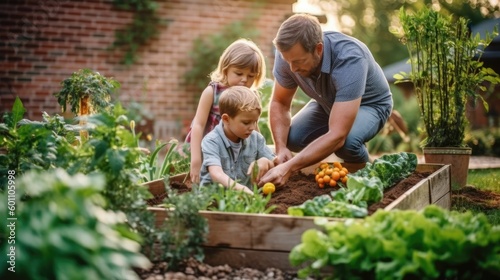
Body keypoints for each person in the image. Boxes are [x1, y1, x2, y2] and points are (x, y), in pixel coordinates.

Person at [259, 13, 393, 187]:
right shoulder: (289, 55)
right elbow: (280, 103)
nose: (292, 69)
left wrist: (289, 167)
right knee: (291, 138)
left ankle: (372, 178)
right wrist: (281, 148)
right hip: (327, 102)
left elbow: (338, 136)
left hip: (371, 104)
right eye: (288, 61)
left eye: (299, 61)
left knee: (348, 144)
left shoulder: (349, 58)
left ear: (319, 49)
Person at [185, 38, 267, 184]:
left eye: (251, 76)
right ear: (226, 69)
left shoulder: (250, 96)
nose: (244, 80)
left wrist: (260, 153)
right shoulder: (213, 91)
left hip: (232, 150)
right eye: (239, 73)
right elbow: (198, 124)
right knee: (205, 180)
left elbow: (254, 129)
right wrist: (196, 159)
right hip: (209, 148)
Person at [200, 86, 275, 195]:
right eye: (246, 122)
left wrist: (265, 161)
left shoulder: (256, 138)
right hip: (214, 201)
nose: (253, 127)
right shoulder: (211, 141)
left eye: (255, 121)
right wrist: (240, 188)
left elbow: (275, 164)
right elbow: (216, 174)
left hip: (245, 200)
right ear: (226, 119)